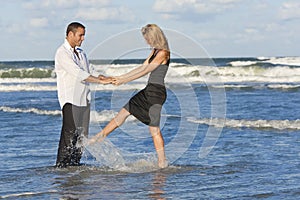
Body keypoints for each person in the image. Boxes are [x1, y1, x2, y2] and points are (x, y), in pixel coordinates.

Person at [89, 24, 170, 168]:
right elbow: (141, 67)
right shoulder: (154, 51)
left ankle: (162, 162)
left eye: (148, 38)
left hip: (155, 93)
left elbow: (146, 70)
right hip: (149, 90)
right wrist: (120, 77)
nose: (146, 41)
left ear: (154, 36)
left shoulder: (163, 52)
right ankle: (100, 136)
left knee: (154, 128)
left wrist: (124, 80)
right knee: (125, 111)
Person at [55, 22, 111, 168]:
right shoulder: (62, 53)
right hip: (70, 100)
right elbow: (78, 74)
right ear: (70, 34)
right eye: (80, 35)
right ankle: (62, 167)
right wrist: (99, 81)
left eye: (83, 35)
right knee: (69, 136)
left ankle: (75, 166)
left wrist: (103, 77)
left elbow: (89, 70)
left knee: (81, 137)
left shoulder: (81, 53)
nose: (83, 38)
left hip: (84, 99)